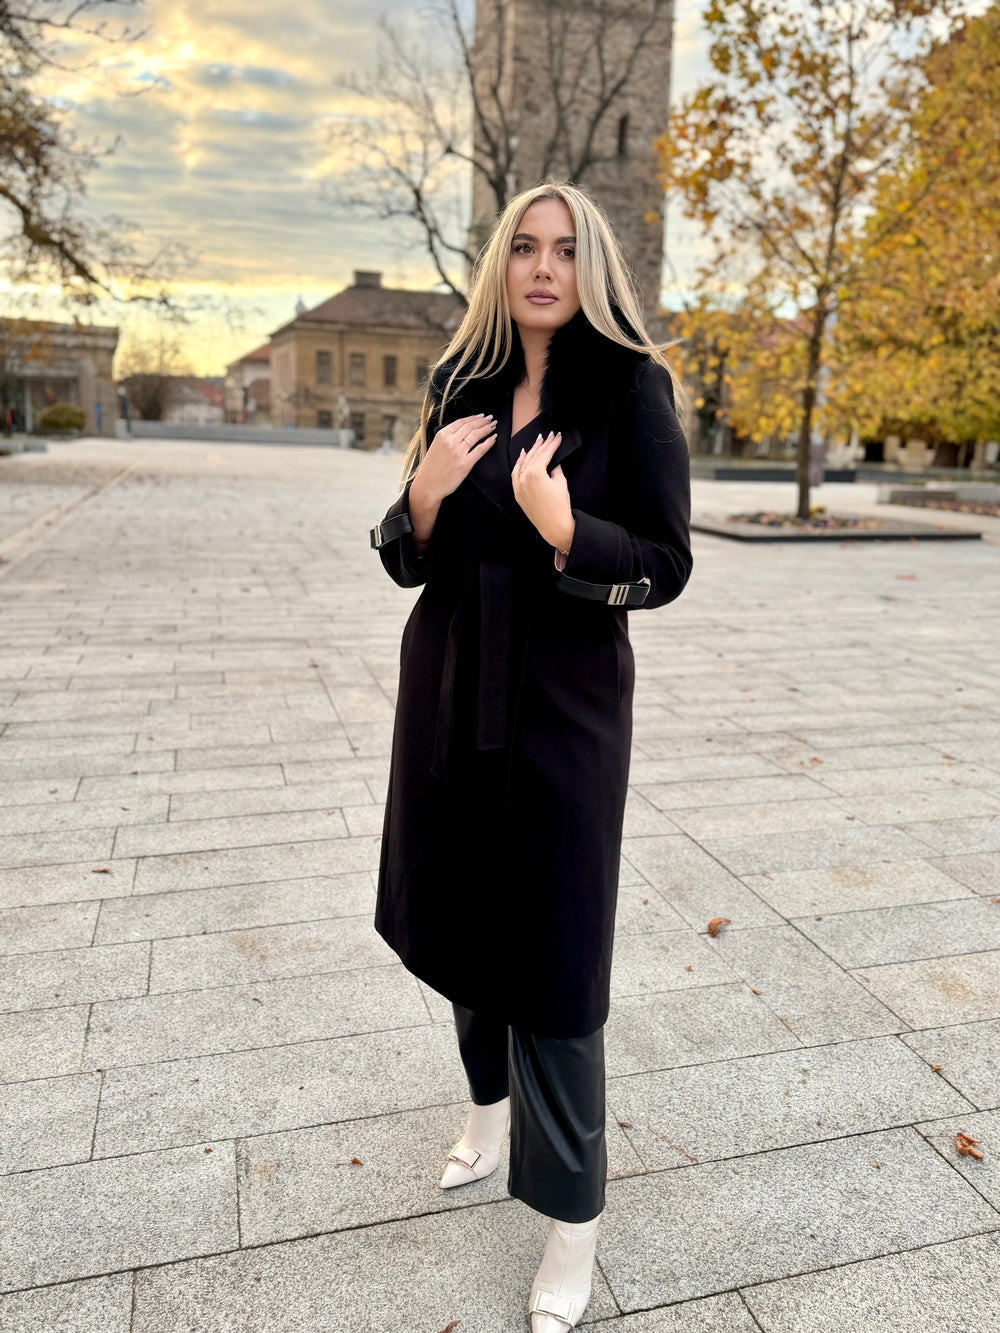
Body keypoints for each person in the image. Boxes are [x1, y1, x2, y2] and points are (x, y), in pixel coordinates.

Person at [369, 179, 692, 1331]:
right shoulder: (457, 382)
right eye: (524, 247)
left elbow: (665, 562)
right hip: (449, 690)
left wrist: (567, 531)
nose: (543, 267)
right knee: (460, 915)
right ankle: (485, 1111)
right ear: (500, 264)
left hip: (564, 708)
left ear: (589, 266)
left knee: (554, 956)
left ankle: (573, 1222)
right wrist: (422, 494)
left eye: (564, 249)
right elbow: (407, 554)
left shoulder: (630, 388)